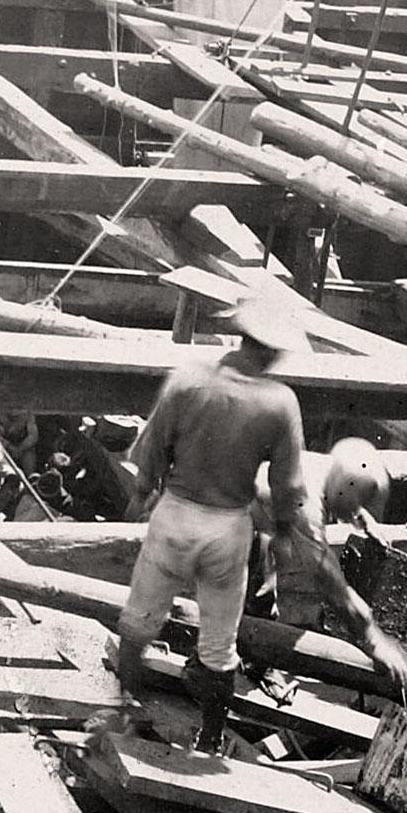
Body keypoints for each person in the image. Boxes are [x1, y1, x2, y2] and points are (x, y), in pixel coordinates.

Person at [115, 288, 310, 748]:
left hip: (175, 515)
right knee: (220, 645)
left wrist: (140, 498)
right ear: (274, 350)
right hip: (227, 527)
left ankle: (121, 707)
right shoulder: (280, 402)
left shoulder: (188, 379)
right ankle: (212, 737)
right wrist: (283, 532)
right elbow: (288, 486)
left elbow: (150, 452)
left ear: (242, 335)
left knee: (139, 622)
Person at [264, 438, 407, 697]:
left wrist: (363, 519)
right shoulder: (305, 503)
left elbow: (345, 490)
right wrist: (374, 639)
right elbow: (328, 579)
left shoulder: (326, 468)